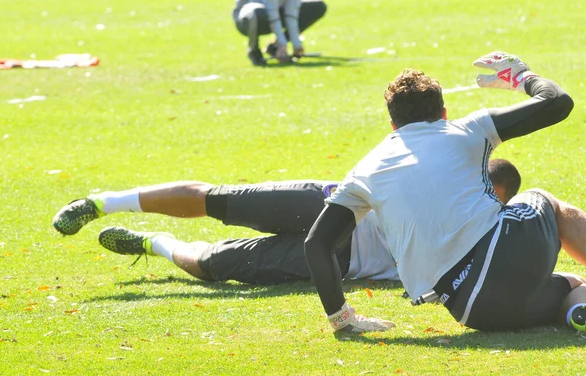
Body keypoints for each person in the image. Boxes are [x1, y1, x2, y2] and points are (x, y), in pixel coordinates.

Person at [304, 51, 586, 334]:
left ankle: (577, 312)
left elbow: (317, 243)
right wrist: (522, 77)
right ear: (444, 114)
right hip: (500, 254)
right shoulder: (465, 130)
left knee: (572, 284)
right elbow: (557, 102)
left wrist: (341, 319)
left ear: (393, 126)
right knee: (544, 199)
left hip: (472, 309)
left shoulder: (363, 169)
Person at [52, 160, 520, 285]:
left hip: (338, 259)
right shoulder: (435, 175)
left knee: (212, 266)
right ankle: (98, 202)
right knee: (216, 199)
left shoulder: (487, 232)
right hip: (324, 203)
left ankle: (153, 243)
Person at [232, 0, 327, 66]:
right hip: (247, 16)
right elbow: (271, 7)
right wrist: (283, 42)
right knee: (256, 13)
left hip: (276, 9)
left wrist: (296, 43)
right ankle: (254, 51)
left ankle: (275, 47)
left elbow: (292, 8)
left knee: (318, 6)